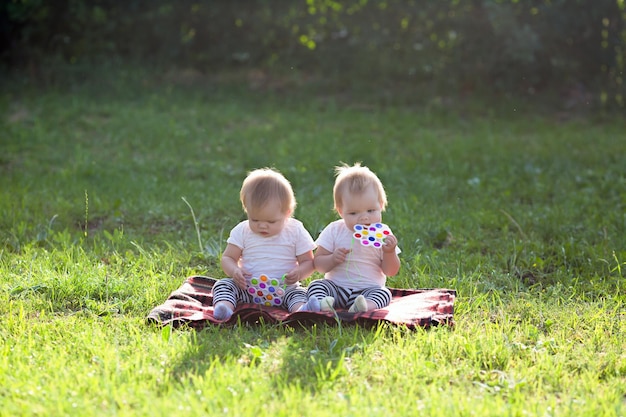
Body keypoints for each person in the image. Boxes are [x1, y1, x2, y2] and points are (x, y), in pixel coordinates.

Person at [212, 168, 320, 320]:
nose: (262, 226)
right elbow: (228, 258)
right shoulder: (242, 230)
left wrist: (299, 273)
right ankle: (224, 308)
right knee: (223, 285)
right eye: (255, 220)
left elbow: (309, 262)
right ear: (246, 210)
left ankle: (302, 310)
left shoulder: (295, 230)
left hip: (285, 290)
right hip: (247, 289)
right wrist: (234, 271)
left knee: (299, 293)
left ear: (287, 213)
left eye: (271, 221)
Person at [308, 163, 401, 313]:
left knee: (384, 294)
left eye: (371, 210)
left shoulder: (382, 234)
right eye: (353, 213)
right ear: (341, 211)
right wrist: (332, 259)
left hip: (368, 290)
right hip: (335, 288)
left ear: (381, 205)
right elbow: (318, 265)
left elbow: (390, 271)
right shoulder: (334, 230)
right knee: (317, 286)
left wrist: (389, 253)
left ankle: (363, 306)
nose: (364, 218)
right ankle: (324, 303)